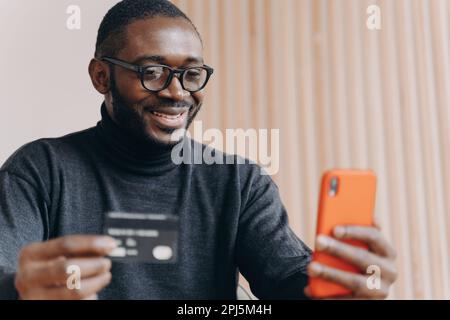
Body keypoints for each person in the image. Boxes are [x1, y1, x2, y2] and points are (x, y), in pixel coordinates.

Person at [0, 0, 396, 300]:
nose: (177, 92)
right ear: (101, 76)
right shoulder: (39, 170)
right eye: (151, 72)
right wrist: (20, 289)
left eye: (191, 74)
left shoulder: (238, 181)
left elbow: (288, 281)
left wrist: (342, 286)